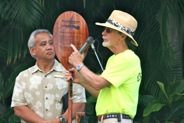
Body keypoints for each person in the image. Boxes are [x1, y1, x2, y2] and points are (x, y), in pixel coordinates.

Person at [66, 10, 142, 123]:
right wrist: (81, 80)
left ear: (122, 36)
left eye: (108, 30)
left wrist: (78, 64)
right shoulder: (114, 59)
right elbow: (101, 93)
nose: (103, 33)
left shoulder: (128, 58)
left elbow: (98, 83)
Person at [11, 29, 86, 123]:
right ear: (33, 50)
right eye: (43, 44)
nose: (49, 47)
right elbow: (18, 108)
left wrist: (59, 121)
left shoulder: (71, 72)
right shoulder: (23, 77)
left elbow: (79, 103)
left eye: (51, 43)